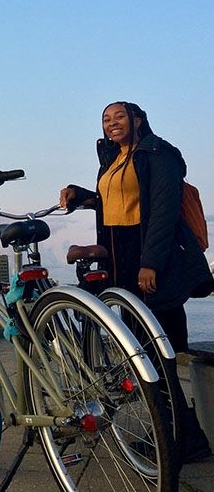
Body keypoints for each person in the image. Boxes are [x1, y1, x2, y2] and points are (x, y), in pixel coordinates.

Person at [60, 101, 213, 463]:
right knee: (141, 355)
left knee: (159, 354)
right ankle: (177, 435)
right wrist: (80, 195)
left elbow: (162, 210)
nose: (111, 124)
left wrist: (150, 264)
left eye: (119, 117)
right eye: (105, 120)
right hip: (122, 267)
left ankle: (183, 440)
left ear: (138, 120)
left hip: (150, 268)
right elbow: (113, 204)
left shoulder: (159, 154)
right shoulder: (115, 159)